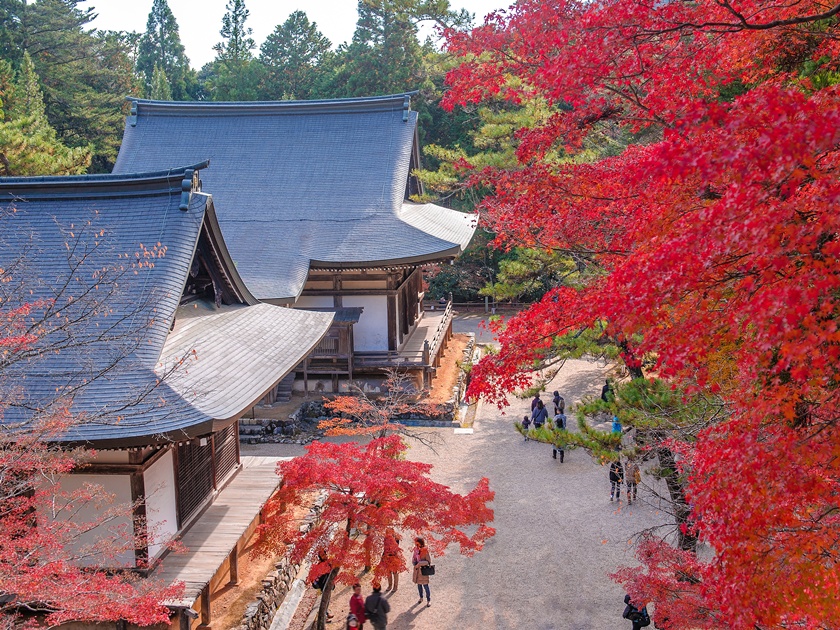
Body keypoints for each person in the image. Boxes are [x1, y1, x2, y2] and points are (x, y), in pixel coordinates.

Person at [411, 537, 432, 607]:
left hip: (423, 571)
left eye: (416, 542)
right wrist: (414, 562)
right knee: (419, 585)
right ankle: (421, 597)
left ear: (420, 542)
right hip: (417, 571)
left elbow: (428, 561)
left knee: (425, 586)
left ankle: (428, 600)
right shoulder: (416, 550)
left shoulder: (425, 550)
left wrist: (419, 563)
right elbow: (413, 558)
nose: (415, 544)